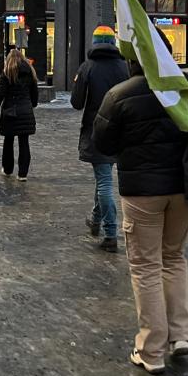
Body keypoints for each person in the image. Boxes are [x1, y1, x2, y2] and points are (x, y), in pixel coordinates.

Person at [92, 32, 188, 375]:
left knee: (145, 266)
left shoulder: (120, 95)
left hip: (142, 190)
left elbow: (103, 142)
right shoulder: (187, 87)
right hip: (184, 188)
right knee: (174, 258)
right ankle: (182, 335)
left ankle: (151, 350)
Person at [71, 25, 130, 252]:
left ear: (94, 43)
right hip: (122, 130)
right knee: (103, 176)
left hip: (98, 130)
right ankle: (96, 219)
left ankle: (110, 233)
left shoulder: (88, 67)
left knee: (104, 181)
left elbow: (76, 103)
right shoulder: (124, 67)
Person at [0, 48, 39, 181]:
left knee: (8, 141)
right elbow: (34, 92)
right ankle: (22, 174)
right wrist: (32, 105)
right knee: (24, 143)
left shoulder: (7, 73)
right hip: (26, 111)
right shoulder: (30, 72)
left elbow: (0, 94)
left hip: (10, 112)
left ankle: (7, 169)